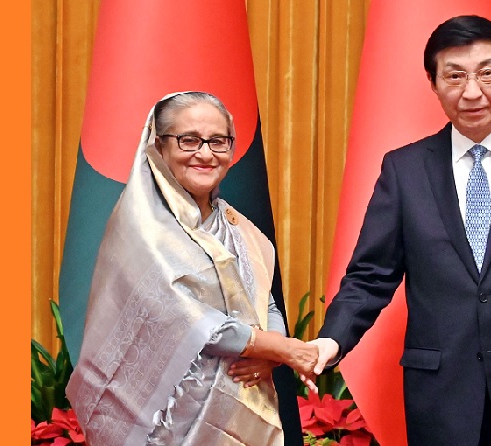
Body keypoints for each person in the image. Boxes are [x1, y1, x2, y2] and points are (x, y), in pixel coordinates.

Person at [309, 15, 491, 446]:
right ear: (433, 83)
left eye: (487, 73)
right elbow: (370, 276)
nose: (472, 92)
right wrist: (331, 340)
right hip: (440, 395)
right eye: (455, 76)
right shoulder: (404, 170)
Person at [66, 91, 319, 446]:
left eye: (218, 141)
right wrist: (282, 349)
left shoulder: (239, 228)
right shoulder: (144, 227)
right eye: (189, 140)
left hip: (237, 413)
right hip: (162, 427)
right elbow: (191, 320)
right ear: (159, 146)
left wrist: (271, 355)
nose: (205, 153)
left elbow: (266, 304)